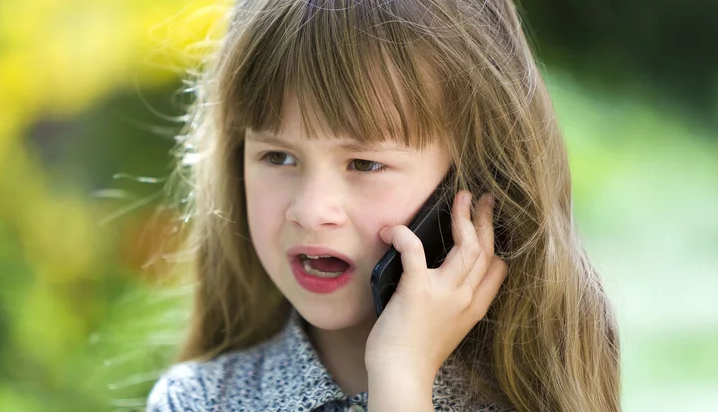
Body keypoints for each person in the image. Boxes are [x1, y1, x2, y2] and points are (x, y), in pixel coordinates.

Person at [145, 0, 620, 410]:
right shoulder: (199, 401)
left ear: (471, 182)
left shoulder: (526, 402)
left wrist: (402, 378)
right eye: (279, 156)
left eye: (365, 164)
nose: (310, 211)